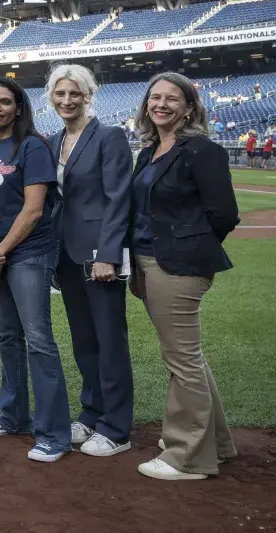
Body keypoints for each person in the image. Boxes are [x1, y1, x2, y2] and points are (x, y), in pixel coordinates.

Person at [129, 72, 239, 481]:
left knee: (181, 360)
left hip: (177, 266)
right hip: (148, 261)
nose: (161, 104)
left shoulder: (201, 150)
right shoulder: (150, 151)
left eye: (172, 98)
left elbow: (224, 214)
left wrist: (189, 245)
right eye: (154, 97)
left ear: (189, 106)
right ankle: (218, 443)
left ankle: (187, 457)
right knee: (189, 356)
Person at [0, 77, 71, 462]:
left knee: (38, 339)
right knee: (8, 336)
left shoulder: (32, 146)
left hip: (27, 253)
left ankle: (55, 434)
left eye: (5, 102)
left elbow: (34, 209)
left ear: (18, 107)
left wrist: (0, 252)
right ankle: (14, 415)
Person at [46, 65, 135, 457]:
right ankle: (92, 413)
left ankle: (116, 428)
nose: (67, 100)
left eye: (74, 94)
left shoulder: (109, 136)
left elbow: (119, 199)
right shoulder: (53, 141)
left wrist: (108, 255)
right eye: (60, 94)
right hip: (66, 256)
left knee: (109, 341)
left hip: (100, 257)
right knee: (84, 341)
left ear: (88, 95)